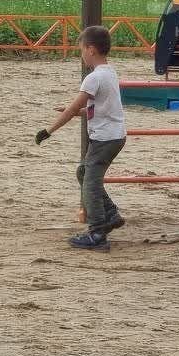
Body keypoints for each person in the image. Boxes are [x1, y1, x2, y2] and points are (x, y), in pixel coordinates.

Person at [34, 25, 126, 252]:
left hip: (104, 138)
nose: (82, 55)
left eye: (82, 50)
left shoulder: (93, 78)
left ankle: (97, 233)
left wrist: (49, 130)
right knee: (84, 173)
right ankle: (111, 214)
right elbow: (99, 108)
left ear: (91, 49)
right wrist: (75, 112)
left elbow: (73, 107)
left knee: (90, 182)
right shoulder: (110, 73)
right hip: (115, 136)